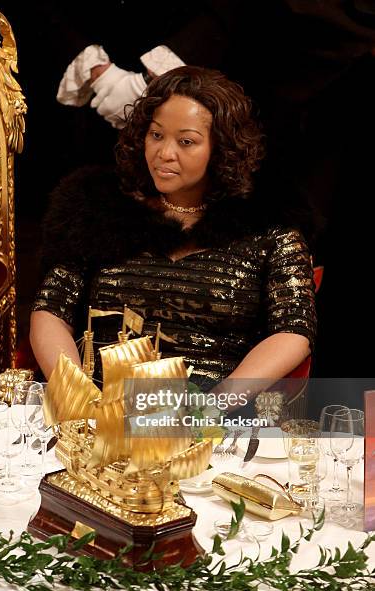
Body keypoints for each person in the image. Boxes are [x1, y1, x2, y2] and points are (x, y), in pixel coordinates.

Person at [30, 66, 316, 394]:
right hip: (98, 415)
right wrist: (76, 393)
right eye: (156, 135)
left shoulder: (270, 229)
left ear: (221, 149)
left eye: (186, 141)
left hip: (211, 421)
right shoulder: (96, 209)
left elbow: (293, 331)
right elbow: (50, 310)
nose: (164, 153)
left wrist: (214, 408)